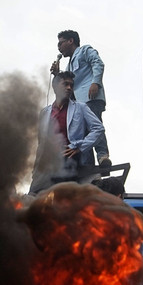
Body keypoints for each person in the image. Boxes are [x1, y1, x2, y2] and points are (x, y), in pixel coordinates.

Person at [29, 71, 105, 194]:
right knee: (34, 196)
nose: (69, 88)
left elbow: (98, 128)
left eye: (71, 85)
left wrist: (80, 146)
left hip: (68, 160)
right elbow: (41, 143)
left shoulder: (80, 107)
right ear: (55, 87)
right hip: (46, 164)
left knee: (62, 198)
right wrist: (36, 167)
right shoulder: (45, 112)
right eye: (65, 84)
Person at [51, 30, 111, 167]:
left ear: (71, 41)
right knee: (82, 135)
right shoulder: (69, 65)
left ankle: (103, 156)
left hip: (91, 96)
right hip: (78, 103)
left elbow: (98, 63)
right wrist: (57, 74)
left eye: (61, 43)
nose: (58, 47)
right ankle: (89, 166)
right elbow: (67, 85)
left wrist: (95, 82)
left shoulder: (84, 50)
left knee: (94, 126)